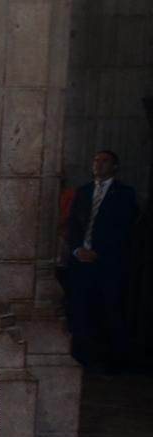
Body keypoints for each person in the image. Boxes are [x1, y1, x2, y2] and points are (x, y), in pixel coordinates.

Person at [65, 149, 140, 370]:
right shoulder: (84, 191)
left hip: (107, 262)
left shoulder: (124, 193)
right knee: (80, 307)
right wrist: (78, 249)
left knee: (107, 308)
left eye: (104, 161)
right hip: (81, 259)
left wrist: (100, 251)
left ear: (114, 166)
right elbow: (74, 223)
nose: (99, 164)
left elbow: (124, 228)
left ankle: (107, 359)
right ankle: (81, 355)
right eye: (96, 160)